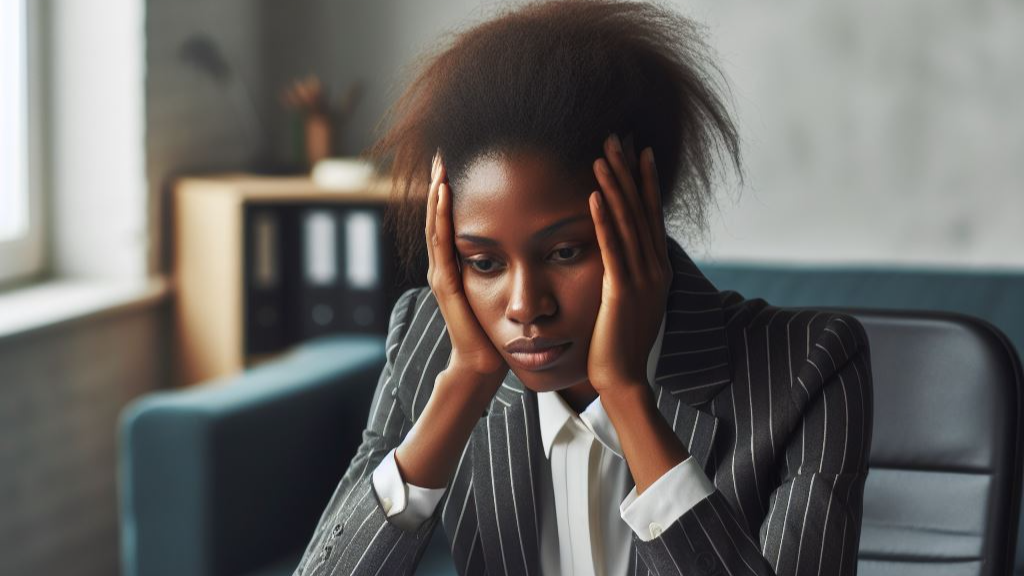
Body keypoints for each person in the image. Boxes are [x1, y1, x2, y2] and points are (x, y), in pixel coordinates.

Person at [293, 1, 873, 574]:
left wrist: (626, 397)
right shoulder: (432, 345)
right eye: (484, 262)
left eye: (565, 252)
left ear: (645, 222)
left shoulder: (810, 368)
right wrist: (463, 388)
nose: (525, 307)